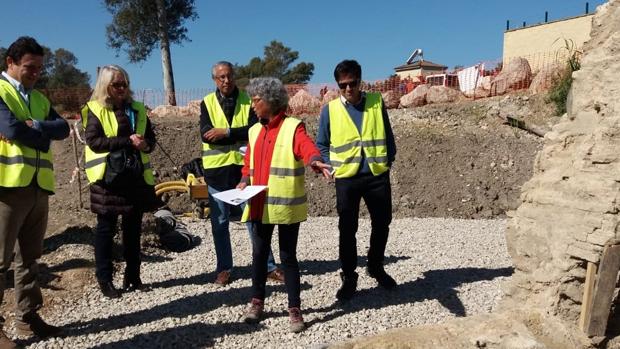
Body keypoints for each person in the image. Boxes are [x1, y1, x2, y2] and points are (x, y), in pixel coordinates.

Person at [238, 77, 331, 333]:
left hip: (286, 207)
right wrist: (244, 180)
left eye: (256, 100)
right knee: (258, 256)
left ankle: (294, 308)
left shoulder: (293, 127)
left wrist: (315, 160)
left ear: (270, 101)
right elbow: (248, 165)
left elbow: (306, 146)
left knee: (288, 258)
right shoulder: (254, 130)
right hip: (258, 204)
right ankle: (257, 303)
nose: (253, 105)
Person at [0, 36, 68, 346]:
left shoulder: (38, 99)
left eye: (40, 68)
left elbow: (64, 128)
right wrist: (41, 132)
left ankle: (27, 318)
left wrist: (36, 128)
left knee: (29, 258)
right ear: (10, 63)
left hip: (38, 187)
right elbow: (12, 129)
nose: (35, 73)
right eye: (29, 67)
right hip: (8, 187)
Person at [316, 59, 398, 302]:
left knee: (382, 222)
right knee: (347, 228)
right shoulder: (329, 110)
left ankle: (375, 265)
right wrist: (329, 166)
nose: (348, 89)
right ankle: (349, 275)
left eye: (352, 83)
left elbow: (387, 132)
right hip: (347, 178)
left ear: (360, 81)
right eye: (343, 85)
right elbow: (321, 143)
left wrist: (389, 160)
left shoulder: (375, 102)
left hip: (376, 173)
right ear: (338, 85)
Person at [200, 61, 284, 286]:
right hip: (216, 172)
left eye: (229, 76)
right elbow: (205, 134)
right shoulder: (206, 103)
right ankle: (224, 268)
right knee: (219, 222)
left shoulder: (249, 100)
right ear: (214, 80)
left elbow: (253, 128)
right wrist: (235, 135)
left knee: (254, 220)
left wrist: (225, 132)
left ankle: (267, 267)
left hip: (244, 171)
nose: (226, 81)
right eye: (221, 77)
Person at [82, 65, 160, 299]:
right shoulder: (95, 109)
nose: (122, 88)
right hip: (108, 180)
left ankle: (133, 276)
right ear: (105, 86)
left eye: (125, 83)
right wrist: (127, 141)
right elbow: (94, 142)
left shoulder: (137, 109)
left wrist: (145, 144)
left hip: (134, 178)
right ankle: (105, 280)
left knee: (133, 229)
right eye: (117, 84)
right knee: (106, 230)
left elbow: (151, 140)